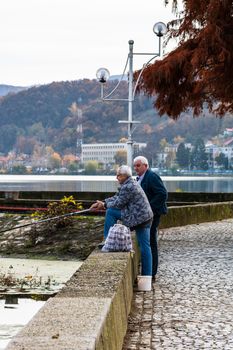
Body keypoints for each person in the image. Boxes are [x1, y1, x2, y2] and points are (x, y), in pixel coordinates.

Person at [90, 165, 153, 278]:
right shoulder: (129, 183)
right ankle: (147, 276)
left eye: (118, 175)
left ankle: (107, 241)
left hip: (139, 218)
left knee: (110, 212)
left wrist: (104, 205)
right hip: (145, 217)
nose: (116, 177)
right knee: (145, 247)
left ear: (124, 176)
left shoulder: (128, 186)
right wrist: (103, 202)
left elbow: (119, 204)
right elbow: (117, 197)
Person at [133, 156, 168, 281]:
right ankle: (150, 272)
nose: (136, 168)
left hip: (153, 214)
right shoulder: (139, 179)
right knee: (149, 241)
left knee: (151, 241)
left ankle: (151, 272)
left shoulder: (152, 176)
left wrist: (149, 209)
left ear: (146, 166)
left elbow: (162, 194)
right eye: (135, 166)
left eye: (138, 165)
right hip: (146, 215)